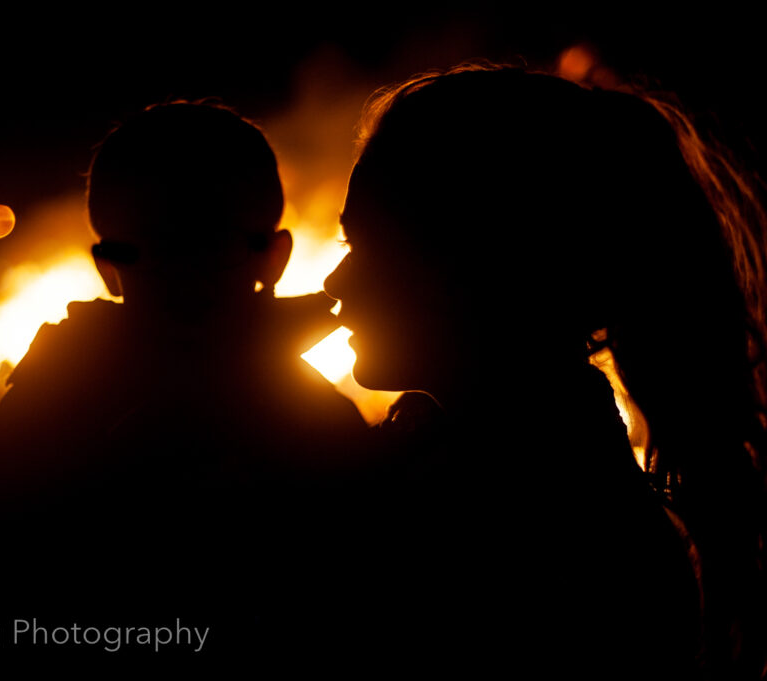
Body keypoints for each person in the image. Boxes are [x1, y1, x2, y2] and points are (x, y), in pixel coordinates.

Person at [324, 66, 766, 678]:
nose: (334, 282)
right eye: (347, 247)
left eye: (375, 248)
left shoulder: (533, 538)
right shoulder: (468, 477)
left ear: (496, 267)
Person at [0, 102, 374, 655]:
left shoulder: (37, 411)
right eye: (161, 251)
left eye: (208, 248)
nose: (186, 278)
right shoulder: (321, 421)